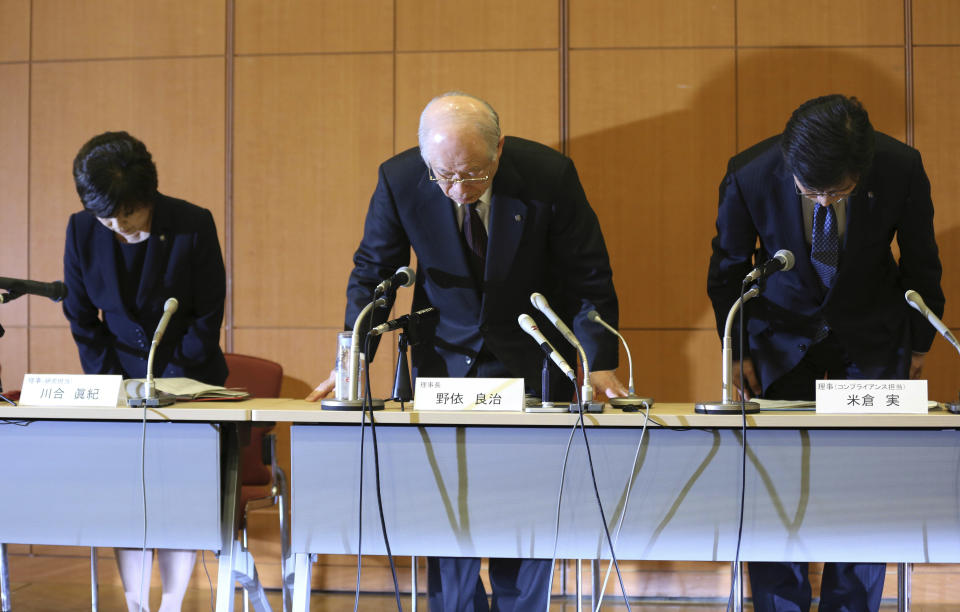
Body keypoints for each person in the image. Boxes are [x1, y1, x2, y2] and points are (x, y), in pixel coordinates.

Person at [308, 92, 628, 611]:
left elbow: (589, 273)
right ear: (424, 158)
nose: (458, 189)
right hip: (443, 361)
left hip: (530, 357)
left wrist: (599, 360)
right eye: (444, 176)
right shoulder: (400, 178)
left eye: (474, 175)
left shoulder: (549, 175)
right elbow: (373, 274)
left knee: (525, 519)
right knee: (447, 520)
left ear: (498, 149)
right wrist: (353, 357)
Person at [707, 94, 944, 611]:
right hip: (777, 343)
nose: (821, 202)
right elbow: (727, 271)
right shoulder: (749, 173)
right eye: (809, 191)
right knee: (775, 488)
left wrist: (918, 341)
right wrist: (738, 348)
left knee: (868, 488)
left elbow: (923, 260)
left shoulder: (900, 166)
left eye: (836, 192)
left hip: (872, 340)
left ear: (861, 171)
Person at [63, 131, 228, 612]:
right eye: (105, 217)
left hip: (187, 379)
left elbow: (207, 313)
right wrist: (113, 384)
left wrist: (172, 382)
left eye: (128, 215)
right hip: (115, 383)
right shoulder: (80, 230)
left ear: (148, 196)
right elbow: (80, 318)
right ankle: (136, 603)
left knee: (176, 496)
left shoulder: (192, 224)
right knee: (126, 499)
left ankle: (173, 603)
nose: (117, 225)